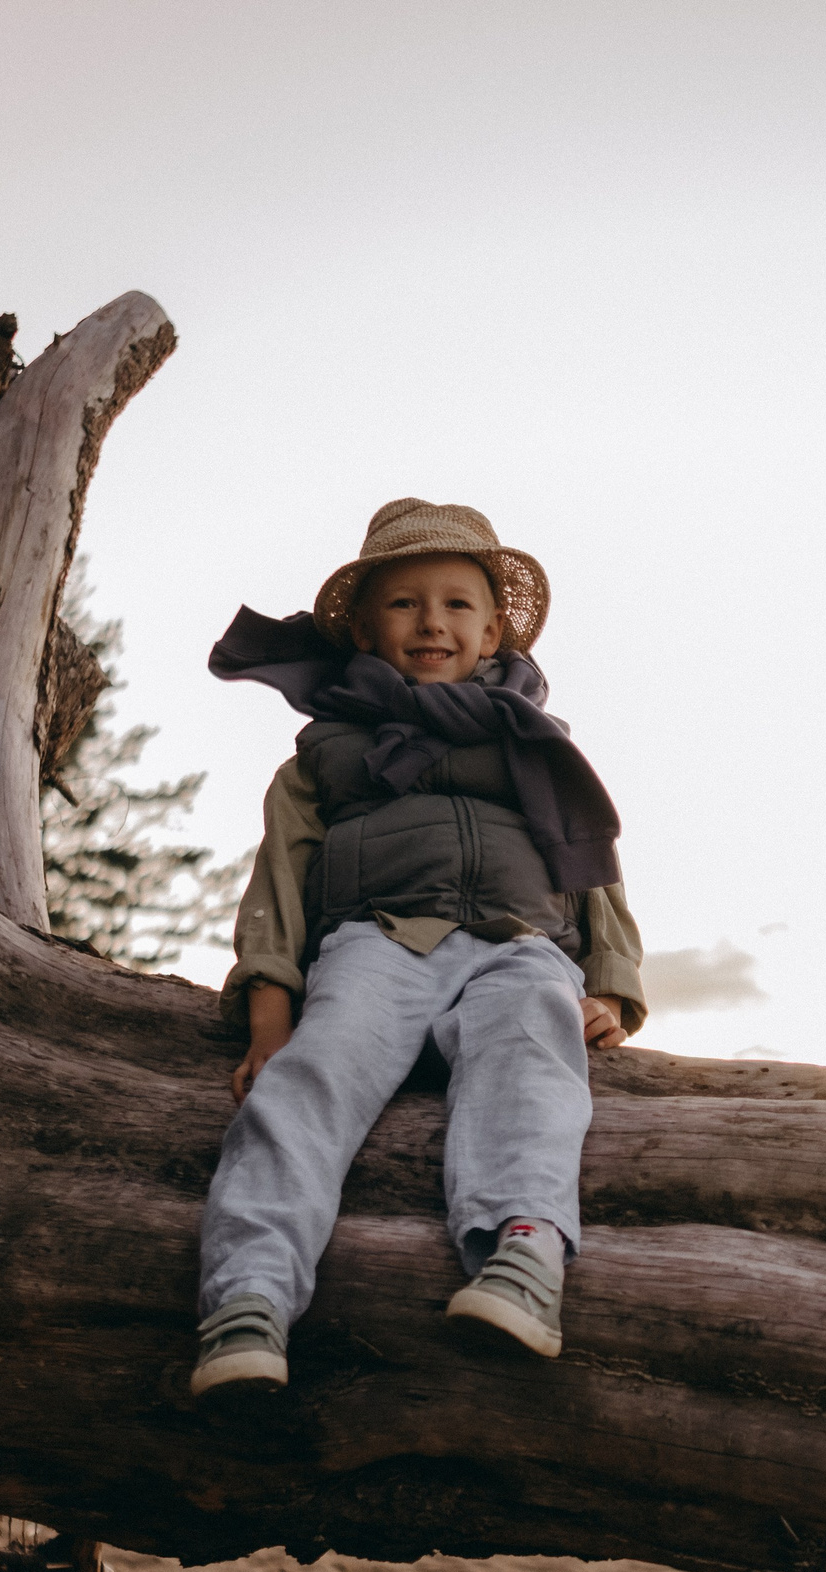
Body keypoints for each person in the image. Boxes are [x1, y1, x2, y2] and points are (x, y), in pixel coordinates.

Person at [190, 498, 646, 1397]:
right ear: (364, 628)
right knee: (310, 1079)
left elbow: (593, 863)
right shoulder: (326, 754)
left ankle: (524, 1254)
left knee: (533, 1056)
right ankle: (247, 1295)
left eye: (457, 603)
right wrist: (269, 1011)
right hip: (379, 941)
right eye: (404, 604)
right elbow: (278, 883)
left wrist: (612, 986)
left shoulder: (536, 744)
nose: (431, 621)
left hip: (523, 947)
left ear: (493, 630)